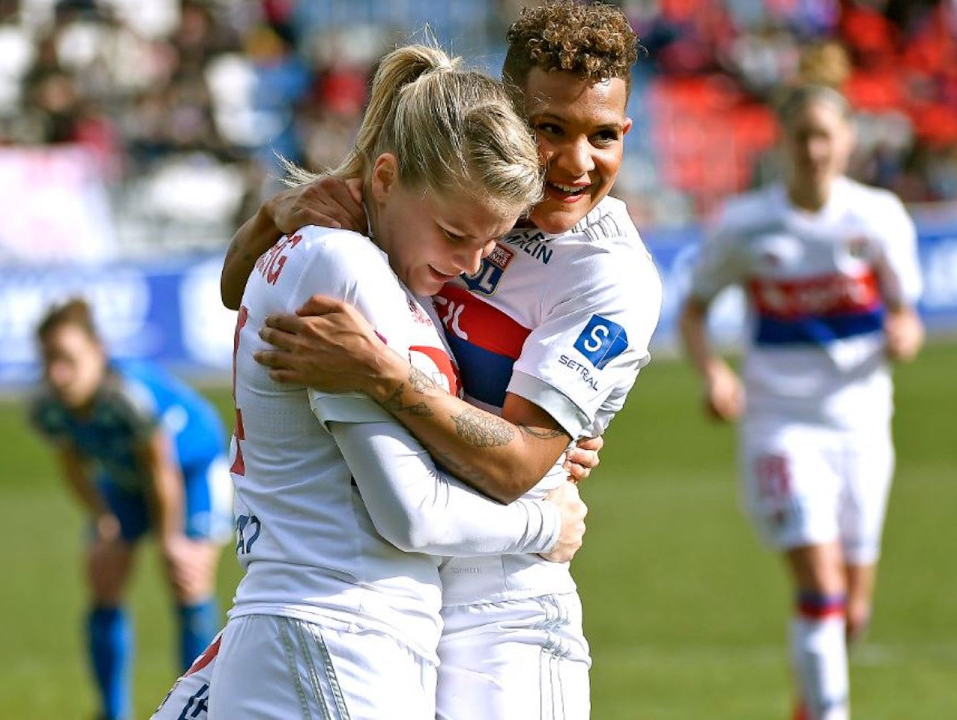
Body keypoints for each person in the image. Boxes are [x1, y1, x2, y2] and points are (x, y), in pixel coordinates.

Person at [215, 4, 660, 718]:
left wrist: (382, 375)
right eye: (550, 130)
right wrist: (276, 216)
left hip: (504, 602)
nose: (576, 164)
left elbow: (520, 464)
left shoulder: (607, 275)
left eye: (603, 136)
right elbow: (239, 285)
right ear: (509, 115)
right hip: (396, 592)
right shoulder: (459, 183)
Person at [678, 84, 924, 720]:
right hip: (781, 426)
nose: (814, 149)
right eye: (802, 135)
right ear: (782, 142)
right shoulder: (746, 224)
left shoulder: (878, 217)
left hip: (863, 425)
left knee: (852, 611)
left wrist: (904, 333)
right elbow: (695, 310)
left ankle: (807, 708)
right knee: (821, 589)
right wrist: (714, 375)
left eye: (826, 135)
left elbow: (906, 314)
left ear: (847, 142)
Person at [29, 298, 232, 720]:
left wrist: (171, 539)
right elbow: (73, 463)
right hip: (126, 480)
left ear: (97, 351)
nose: (57, 374)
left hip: (190, 470)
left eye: (68, 359)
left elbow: (163, 471)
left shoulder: (127, 396)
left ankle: (194, 710)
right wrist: (101, 516)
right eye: (48, 360)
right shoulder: (50, 406)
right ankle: (110, 711)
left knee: (186, 575)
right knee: (103, 573)